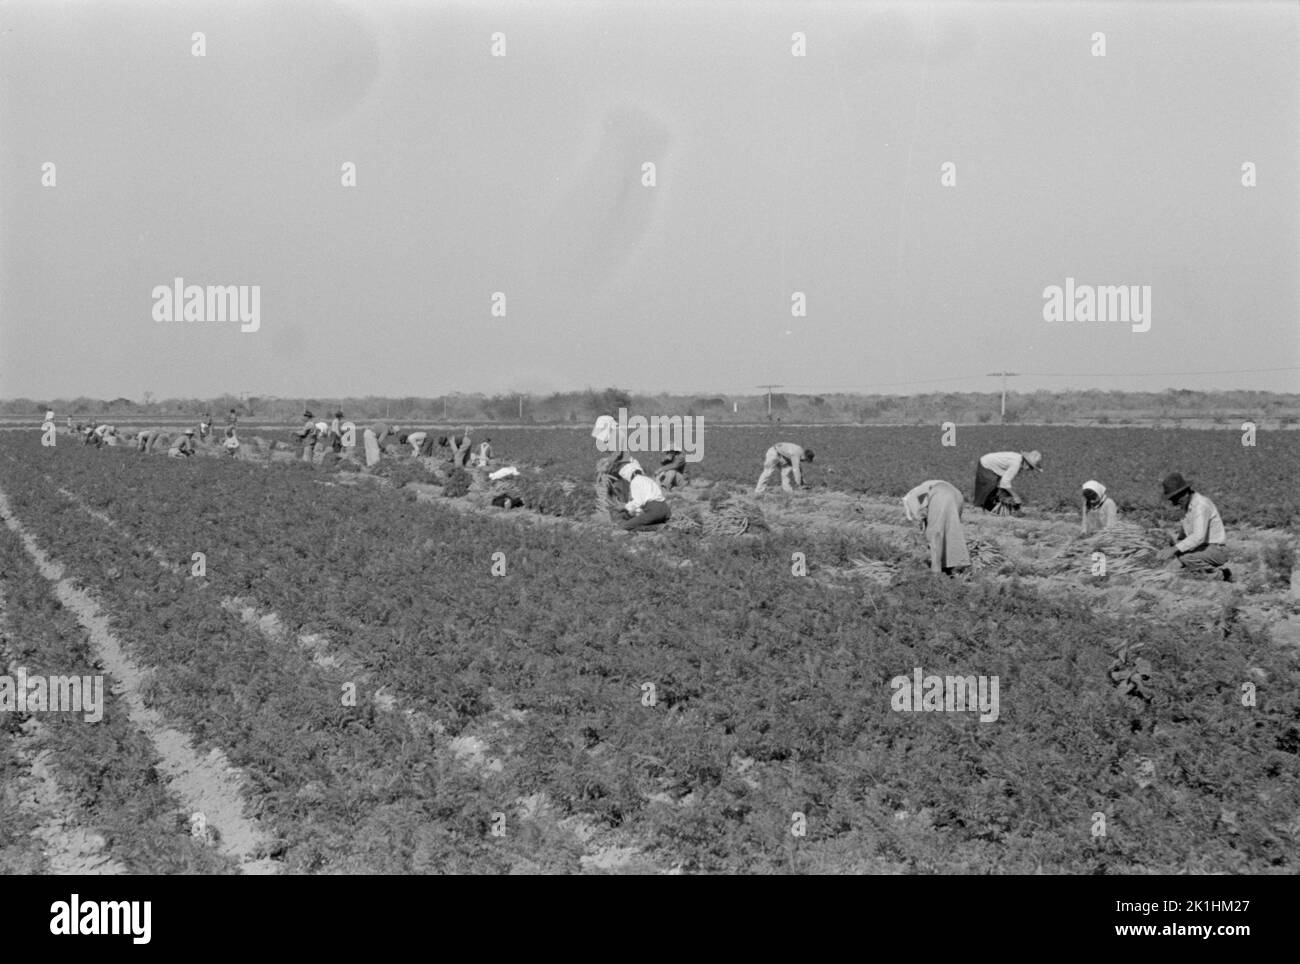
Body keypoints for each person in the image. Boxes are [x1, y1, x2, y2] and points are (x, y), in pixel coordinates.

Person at [1155, 473, 1230, 580]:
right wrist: (1174, 544)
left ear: (1184, 494)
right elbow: (1184, 535)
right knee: (1172, 569)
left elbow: (1198, 537)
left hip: (1215, 550)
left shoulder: (1200, 506)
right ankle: (1200, 574)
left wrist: (1174, 549)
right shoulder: (1187, 507)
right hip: (1200, 549)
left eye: (1175, 499)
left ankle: (1221, 575)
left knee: (1186, 558)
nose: (1174, 504)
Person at [902, 480, 970, 575]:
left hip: (940, 493)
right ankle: (953, 566)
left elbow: (919, 517)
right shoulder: (923, 488)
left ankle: (936, 571)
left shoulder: (911, 498)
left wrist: (922, 527)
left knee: (935, 533)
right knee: (950, 530)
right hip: (957, 495)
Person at [973, 450, 1042, 512]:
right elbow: (1005, 482)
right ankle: (978, 508)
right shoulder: (1016, 464)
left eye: (1032, 468)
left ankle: (989, 507)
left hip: (994, 466)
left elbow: (1004, 481)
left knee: (997, 489)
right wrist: (1015, 495)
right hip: (986, 464)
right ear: (1026, 463)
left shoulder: (1019, 461)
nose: (1030, 469)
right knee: (990, 485)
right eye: (1031, 467)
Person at [615, 461, 670, 531]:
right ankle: (659, 525)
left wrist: (624, 507)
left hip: (654, 511)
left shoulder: (635, 481)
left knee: (626, 527)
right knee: (644, 520)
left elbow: (638, 502)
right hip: (665, 509)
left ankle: (658, 527)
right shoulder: (648, 479)